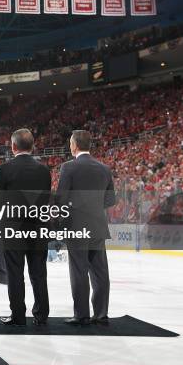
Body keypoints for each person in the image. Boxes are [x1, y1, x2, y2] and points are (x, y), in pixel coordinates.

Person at [57, 130, 116, 326]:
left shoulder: (68, 168)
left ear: (74, 145)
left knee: (79, 271)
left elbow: (61, 201)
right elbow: (110, 200)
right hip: (98, 225)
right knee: (100, 271)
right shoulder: (104, 168)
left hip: (76, 226)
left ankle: (81, 315)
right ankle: (101, 314)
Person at [0, 129, 52, 326]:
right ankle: (41, 315)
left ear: (13, 146)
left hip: (13, 230)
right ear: (32, 146)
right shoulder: (44, 170)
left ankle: (18, 315)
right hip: (37, 228)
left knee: (15, 274)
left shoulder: (5, 169)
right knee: (38, 273)